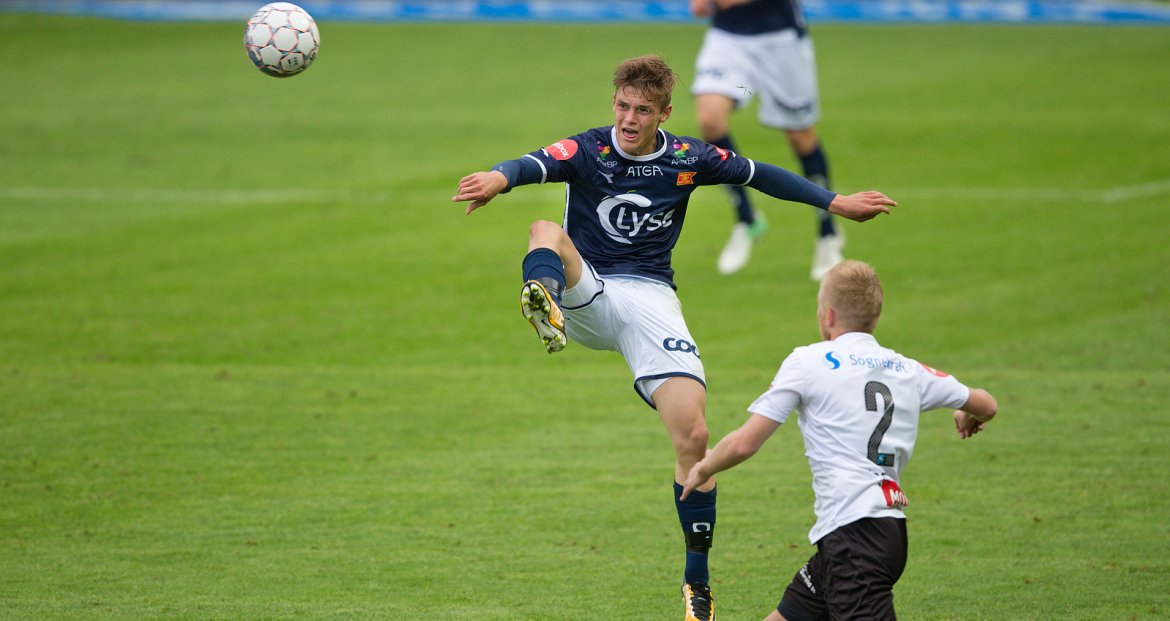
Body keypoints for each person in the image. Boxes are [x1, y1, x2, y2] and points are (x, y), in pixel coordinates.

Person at [452, 55, 895, 621]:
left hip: (651, 299)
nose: (629, 119)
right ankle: (543, 304)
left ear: (664, 112)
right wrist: (497, 177)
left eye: (642, 110)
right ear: (613, 103)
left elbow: (761, 174)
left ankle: (696, 586)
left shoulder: (689, 159)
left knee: (695, 436)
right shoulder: (588, 149)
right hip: (586, 287)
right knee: (545, 230)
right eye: (622, 106)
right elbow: (531, 163)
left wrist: (834, 202)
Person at [680, 260, 999, 620]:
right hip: (877, 532)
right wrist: (967, 413)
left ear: (828, 316)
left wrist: (704, 466)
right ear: (874, 318)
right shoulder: (907, 369)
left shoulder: (808, 362)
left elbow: (744, 444)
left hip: (855, 539)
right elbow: (986, 403)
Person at [690, 0, 843, 280]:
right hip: (729, 39)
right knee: (710, 119)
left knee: (801, 138)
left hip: (781, 39)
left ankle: (828, 232)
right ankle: (747, 219)